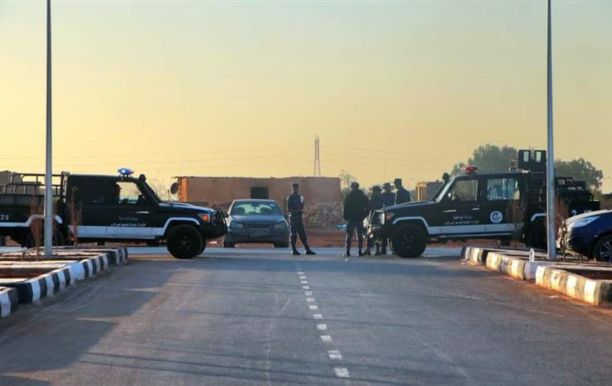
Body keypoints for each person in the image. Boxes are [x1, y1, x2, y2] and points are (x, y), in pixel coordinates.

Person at [286, 183, 316, 256]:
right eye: (294, 188)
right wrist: (297, 211)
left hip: (299, 218)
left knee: (302, 234)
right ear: (292, 188)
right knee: (293, 235)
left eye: (297, 188)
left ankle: (307, 249)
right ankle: (293, 249)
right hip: (293, 218)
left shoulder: (300, 197)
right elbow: (288, 209)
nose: (296, 189)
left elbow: (302, 206)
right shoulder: (290, 198)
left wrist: (301, 211)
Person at [343, 182, 370, 257]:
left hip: (353, 219)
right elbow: (368, 207)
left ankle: (350, 251)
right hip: (357, 218)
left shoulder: (349, 196)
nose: (354, 188)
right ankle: (358, 251)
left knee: (351, 235)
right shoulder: (362, 196)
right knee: (356, 235)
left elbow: (345, 207)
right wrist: (364, 215)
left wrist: (345, 216)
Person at [365, 185, 383, 256]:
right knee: (369, 234)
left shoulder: (379, 199)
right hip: (371, 219)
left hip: (377, 219)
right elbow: (368, 207)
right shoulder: (372, 198)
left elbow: (380, 207)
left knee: (376, 235)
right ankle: (368, 249)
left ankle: (377, 250)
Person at [379, 182, 396, 255]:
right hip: (389, 215)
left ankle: (388, 249)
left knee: (387, 234)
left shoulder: (384, 195)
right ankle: (385, 249)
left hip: (389, 215)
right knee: (385, 234)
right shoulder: (393, 195)